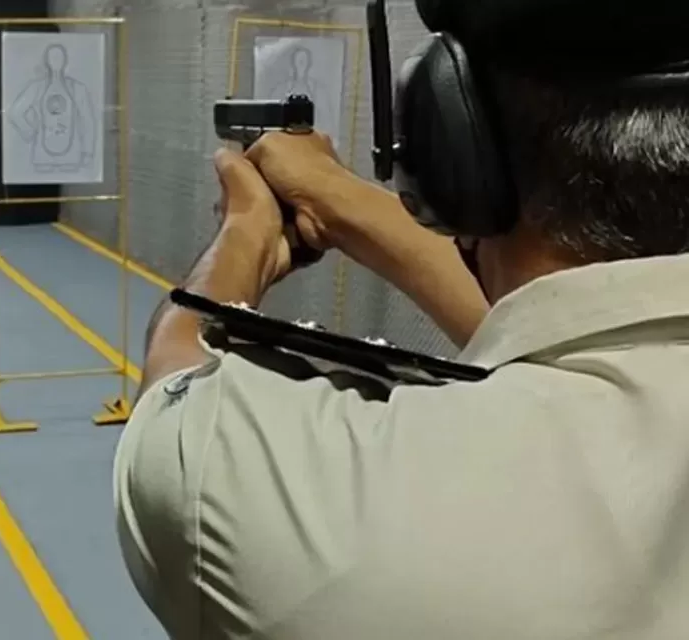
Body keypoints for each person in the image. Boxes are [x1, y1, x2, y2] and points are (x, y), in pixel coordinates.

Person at [113, 1, 689, 637]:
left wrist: (246, 231)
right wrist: (335, 195)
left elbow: (175, 382)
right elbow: (578, 324)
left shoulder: (345, 514)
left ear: (449, 150)